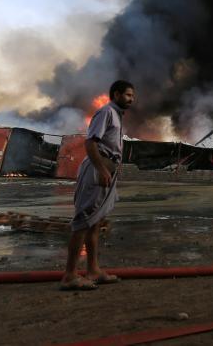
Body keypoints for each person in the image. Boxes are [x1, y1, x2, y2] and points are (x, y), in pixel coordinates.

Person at [60, 80, 135, 291]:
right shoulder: (106, 113)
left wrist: (111, 170)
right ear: (117, 94)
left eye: (133, 96)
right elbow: (90, 143)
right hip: (96, 170)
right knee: (83, 221)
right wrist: (102, 169)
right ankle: (70, 275)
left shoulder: (117, 116)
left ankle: (93, 270)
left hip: (106, 172)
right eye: (129, 95)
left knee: (95, 222)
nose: (132, 99)